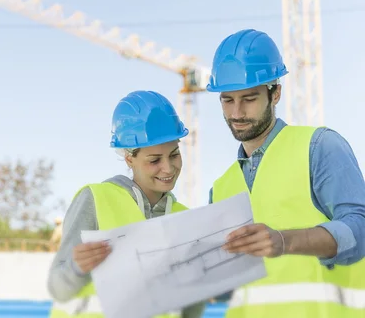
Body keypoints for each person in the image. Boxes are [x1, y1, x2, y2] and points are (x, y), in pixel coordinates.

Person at [207, 29, 365, 317]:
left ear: (275, 93)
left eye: (249, 98)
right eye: (227, 100)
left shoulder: (319, 146)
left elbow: (360, 228)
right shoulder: (220, 188)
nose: (237, 112)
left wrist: (284, 241)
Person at [47, 90, 205, 318]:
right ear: (130, 158)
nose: (168, 168)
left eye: (174, 154)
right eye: (154, 160)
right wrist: (76, 268)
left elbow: (187, 312)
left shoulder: (185, 219)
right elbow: (58, 288)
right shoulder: (96, 200)